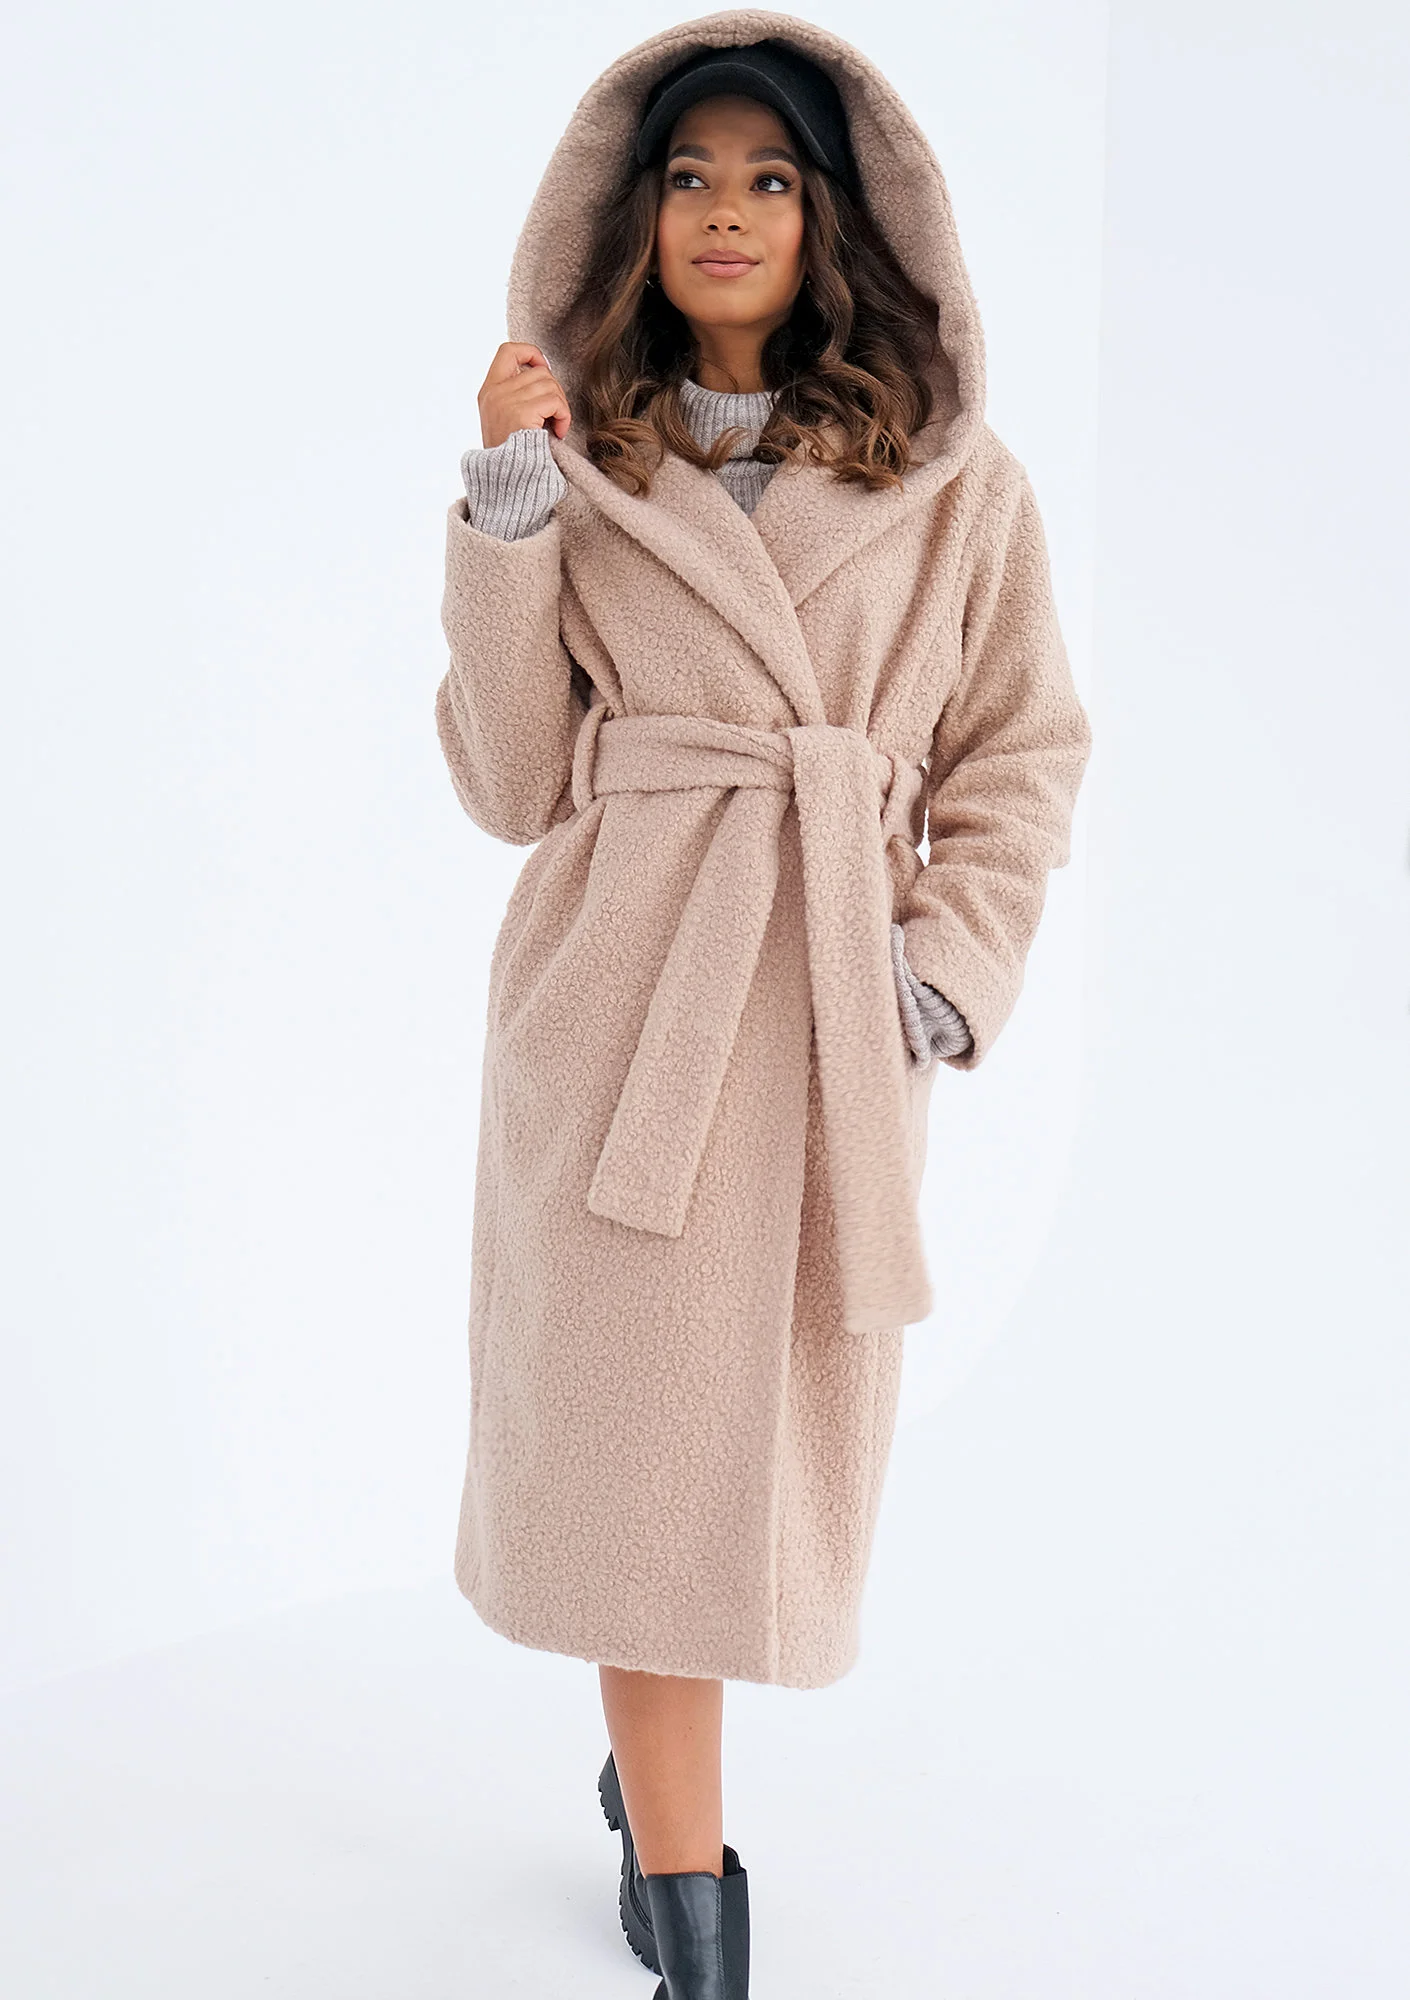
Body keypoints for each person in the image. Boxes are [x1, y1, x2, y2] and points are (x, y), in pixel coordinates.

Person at [434, 14, 1093, 1997]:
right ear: (631, 218)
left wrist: (940, 973)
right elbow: (509, 782)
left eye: (771, 178)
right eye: (689, 177)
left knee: (746, 1465)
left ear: (837, 220)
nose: (725, 211)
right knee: (635, 1464)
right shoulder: (582, 466)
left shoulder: (959, 486)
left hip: (819, 1018)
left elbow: (1020, 754)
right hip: (614, 1009)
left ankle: (659, 1794)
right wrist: (508, 507)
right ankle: (693, 1895)